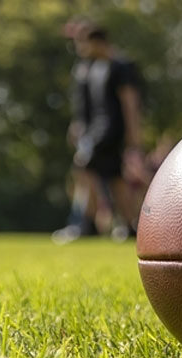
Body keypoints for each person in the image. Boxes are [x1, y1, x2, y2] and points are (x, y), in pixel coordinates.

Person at [54, 22, 146, 243]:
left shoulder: (121, 66)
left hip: (110, 130)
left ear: (97, 42)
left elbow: (129, 101)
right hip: (96, 129)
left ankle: (86, 224)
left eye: (82, 43)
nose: (80, 48)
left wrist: (134, 133)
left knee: (83, 167)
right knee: (115, 177)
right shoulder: (96, 67)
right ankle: (129, 225)